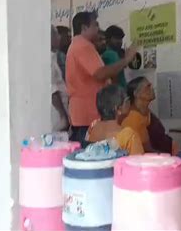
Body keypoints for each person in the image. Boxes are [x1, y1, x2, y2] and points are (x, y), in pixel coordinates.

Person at [66, 11, 137, 145]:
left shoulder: (80, 46)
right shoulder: (82, 46)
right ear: (84, 28)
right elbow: (100, 73)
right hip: (87, 115)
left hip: (84, 115)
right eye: (95, 25)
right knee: (92, 160)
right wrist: (126, 60)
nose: (98, 29)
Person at [122, 77, 180, 154]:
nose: (152, 89)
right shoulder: (133, 118)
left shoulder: (146, 112)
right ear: (136, 93)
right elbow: (145, 149)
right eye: (148, 86)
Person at [87, 85, 144, 155]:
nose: (130, 103)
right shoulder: (129, 136)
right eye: (127, 100)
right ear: (118, 109)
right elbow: (138, 163)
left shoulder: (92, 128)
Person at [50, 25, 69, 132]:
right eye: (56, 34)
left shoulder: (54, 57)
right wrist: (63, 116)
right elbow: (53, 90)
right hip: (57, 114)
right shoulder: (47, 60)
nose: (59, 37)